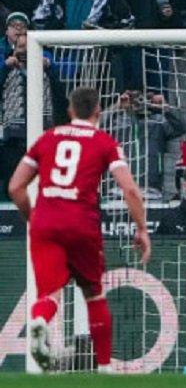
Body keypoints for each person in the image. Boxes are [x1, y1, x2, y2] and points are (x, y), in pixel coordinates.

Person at [8, 86, 151, 372]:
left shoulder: (47, 138)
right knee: (94, 293)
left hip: (46, 223)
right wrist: (142, 229)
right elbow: (130, 190)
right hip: (81, 224)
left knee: (49, 294)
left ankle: (39, 321)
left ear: (70, 110)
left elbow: (15, 187)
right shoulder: (105, 142)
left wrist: (32, 218)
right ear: (98, 111)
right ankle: (105, 367)